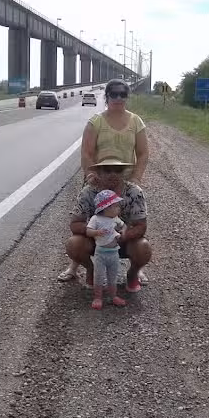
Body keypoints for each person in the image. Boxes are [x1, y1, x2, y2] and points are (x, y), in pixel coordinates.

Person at [57, 78, 149, 283]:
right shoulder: (96, 121)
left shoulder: (136, 122)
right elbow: (87, 152)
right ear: (106, 97)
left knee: (131, 224)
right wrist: (91, 176)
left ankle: (137, 269)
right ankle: (75, 265)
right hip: (98, 180)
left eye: (122, 94)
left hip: (125, 183)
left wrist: (136, 178)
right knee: (89, 222)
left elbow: (142, 154)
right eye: (113, 94)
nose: (118, 98)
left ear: (127, 97)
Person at [66, 157, 152, 293]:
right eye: (107, 170)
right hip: (96, 241)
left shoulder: (134, 192)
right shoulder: (88, 192)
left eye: (117, 170)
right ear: (98, 173)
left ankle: (133, 273)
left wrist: (124, 235)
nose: (113, 174)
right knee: (74, 244)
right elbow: (75, 224)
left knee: (143, 247)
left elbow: (141, 226)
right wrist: (93, 231)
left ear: (123, 173)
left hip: (124, 241)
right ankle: (91, 270)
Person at [85, 189, 128, 310]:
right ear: (106, 208)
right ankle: (98, 297)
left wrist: (123, 231)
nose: (118, 209)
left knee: (113, 276)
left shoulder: (115, 219)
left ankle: (113, 295)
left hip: (114, 253)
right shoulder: (96, 219)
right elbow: (88, 231)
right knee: (98, 276)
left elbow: (124, 225)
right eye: (115, 206)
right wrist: (97, 232)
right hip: (101, 253)